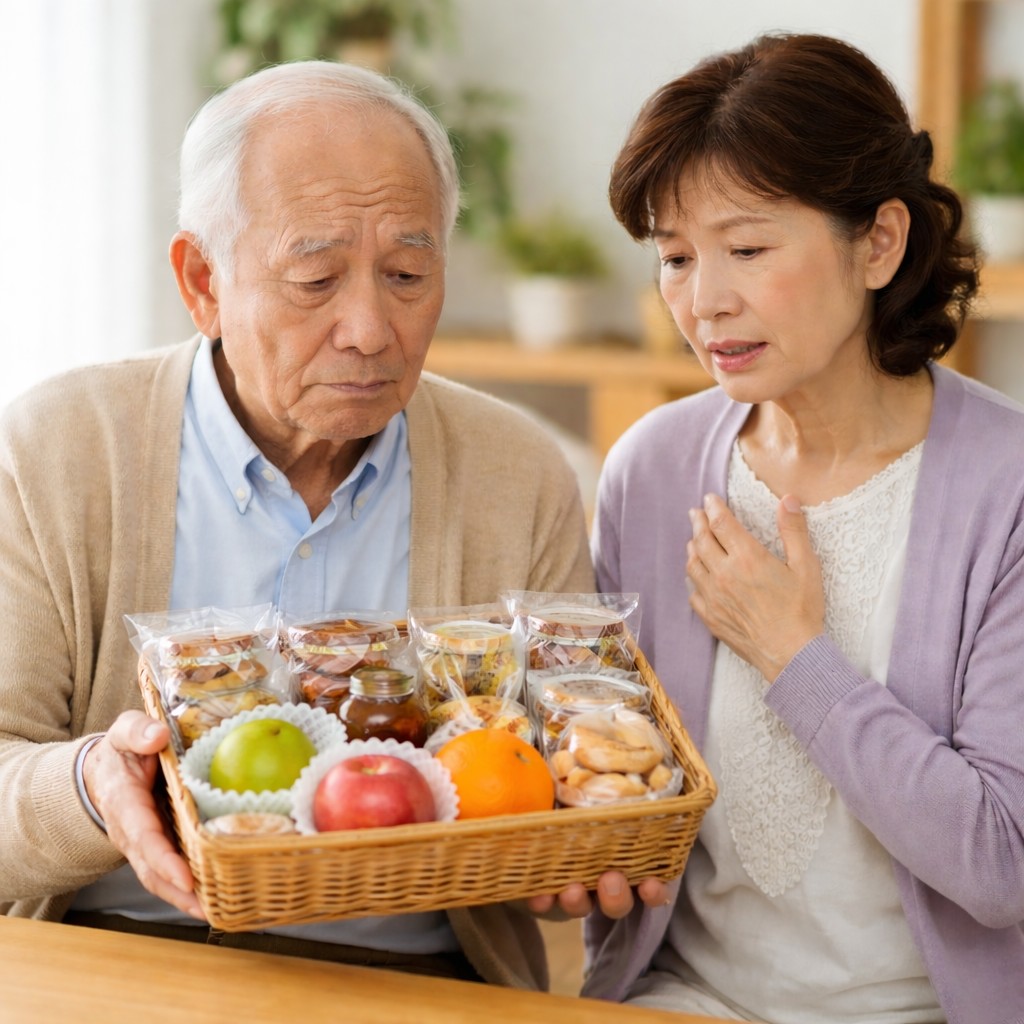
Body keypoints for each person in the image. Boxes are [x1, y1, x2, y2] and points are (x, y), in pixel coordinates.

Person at [0, 59, 596, 989]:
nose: (369, 327)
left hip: (416, 983)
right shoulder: (59, 449)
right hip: (118, 957)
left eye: (407, 272)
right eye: (316, 278)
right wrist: (88, 787)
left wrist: (573, 850)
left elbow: (562, 776)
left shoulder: (519, 474)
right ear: (203, 280)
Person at [582, 32, 1024, 1024]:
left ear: (878, 241)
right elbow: (612, 778)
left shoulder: (1006, 491)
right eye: (676, 257)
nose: (705, 302)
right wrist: (581, 855)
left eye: (745, 249)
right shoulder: (648, 473)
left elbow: (1001, 862)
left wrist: (793, 653)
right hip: (681, 1000)